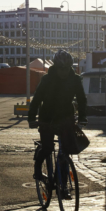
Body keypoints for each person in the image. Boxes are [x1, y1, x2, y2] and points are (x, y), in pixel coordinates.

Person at [28, 50, 87, 195]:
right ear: (56, 67)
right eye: (61, 69)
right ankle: (38, 169)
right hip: (47, 117)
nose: (64, 72)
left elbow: (81, 100)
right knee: (47, 148)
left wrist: (83, 117)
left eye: (67, 68)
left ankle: (63, 184)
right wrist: (31, 118)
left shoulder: (75, 80)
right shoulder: (47, 80)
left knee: (65, 152)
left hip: (65, 116)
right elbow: (36, 100)